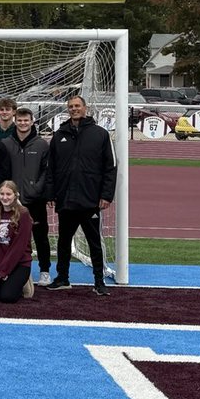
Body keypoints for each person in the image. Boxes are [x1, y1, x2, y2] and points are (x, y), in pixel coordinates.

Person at [44, 95, 116, 296]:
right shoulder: (59, 135)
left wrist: (106, 195)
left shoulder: (100, 134)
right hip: (66, 199)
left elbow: (110, 168)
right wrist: (51, 192)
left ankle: (99, 282)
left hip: (90, 200)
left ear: (85, 108)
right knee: (63, 241)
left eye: (77, 106)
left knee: (94, 243)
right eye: (70, 107)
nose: (74, 109)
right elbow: (51, 168)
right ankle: (62, 278)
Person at [3, 106, 52, 286]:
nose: (23, 123)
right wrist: (9, 193)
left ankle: (45, 271)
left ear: (32, 122)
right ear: (15, 121)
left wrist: (36, 190)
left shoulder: (41, 144)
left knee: (40, 236)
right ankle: (13, 270)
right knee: (11, 237)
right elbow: (4, 170)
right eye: (20, 120)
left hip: (35, 200)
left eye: (26, 120)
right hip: (11, 201)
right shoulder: (7, 143)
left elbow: (46, 171)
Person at [0, 180, 34, 303]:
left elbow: (19, 247)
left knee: (7, 297)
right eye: (2, 194)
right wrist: (1, 269)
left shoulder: (23, 214)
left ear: (15, 195)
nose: (5, 197)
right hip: (0, 262)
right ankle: (8, 281)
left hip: (20, 263)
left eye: (8, 194)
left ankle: (25, 282)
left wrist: (5, 271)